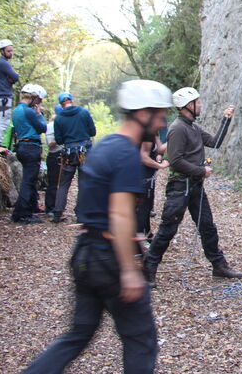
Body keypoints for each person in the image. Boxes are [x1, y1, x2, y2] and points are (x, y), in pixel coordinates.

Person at [22, 80, 170, 374]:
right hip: (110, 259)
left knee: (77, 336)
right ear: (142, 113)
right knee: (141, 340)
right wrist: (129, 269)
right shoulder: (126, 153)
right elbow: (120, 213)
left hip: (85, 255)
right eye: (160, 115)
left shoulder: (104, 147)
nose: (163, 121)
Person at [143, 87, 241, 285]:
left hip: (194, 186)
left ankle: (218, 265)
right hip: (180, 187)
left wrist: (226, 119)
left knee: (207, 227)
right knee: (167, 230)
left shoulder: (193, 127)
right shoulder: (178, 129)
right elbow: (176, 160)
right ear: (188, 106)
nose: (200, 104)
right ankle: (148, 269)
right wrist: (201, 171)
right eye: (197, 102)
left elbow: (214, 142)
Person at [52, 92, 97, 223]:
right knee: (83, 183)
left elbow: (59, 140)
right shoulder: (83, 112)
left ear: (61, 104)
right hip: (85, 152)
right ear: (72, 100)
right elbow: (92, 132)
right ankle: (81, 214)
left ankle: (57, 213)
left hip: (68, 154)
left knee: (64, 184)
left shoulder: (59, 118)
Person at [11, 84, 48, 224]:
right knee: (28, 181)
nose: (38, 103)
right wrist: (39, 114)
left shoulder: (17, 110)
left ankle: (31, 205)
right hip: (31, 147)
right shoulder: (29, 111)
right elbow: (42, 128)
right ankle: (22, 213)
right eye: (38, 100)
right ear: (33, 97)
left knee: (29, 179)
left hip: (21, 145)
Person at [137, 131, 167, 243]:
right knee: (142, 210)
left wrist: (178, 136)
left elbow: (160, 149)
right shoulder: (147, 134)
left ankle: (147, 235)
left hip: (149, 178)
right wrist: (160, 165)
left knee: (147, 208)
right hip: (142, 178)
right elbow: (144, 158)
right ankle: (140, 242)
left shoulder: (153, 133)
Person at [0, 39, 20, 145]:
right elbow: (15, 77)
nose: (11, 53)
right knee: (4, 120)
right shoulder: (3, 63)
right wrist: (12, 79)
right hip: (3, 96)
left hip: (0, 95)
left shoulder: (1, 63)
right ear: (2, 51)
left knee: (2, 119)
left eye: (11, 51)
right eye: (8, 51)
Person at [44, 105, 65, 216]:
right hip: (55, 155)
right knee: (53, 183)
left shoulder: (64, 124)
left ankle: (58, 207)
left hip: (62, 154)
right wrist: (60, 137)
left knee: (61, 183)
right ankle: (50, 208)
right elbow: (50, 144)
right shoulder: (51, 126)